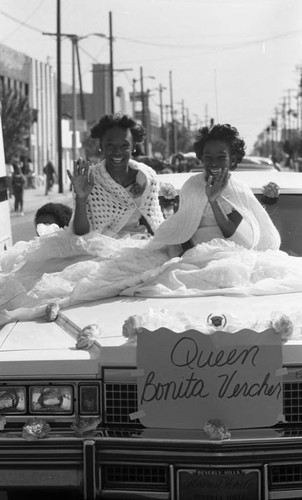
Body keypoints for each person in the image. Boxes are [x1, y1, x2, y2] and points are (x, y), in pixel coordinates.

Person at [153, 123, 281, 252]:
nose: (214, 163)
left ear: (232, 160)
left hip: (228, 255)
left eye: (221, 158)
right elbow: (184, 228)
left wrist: (213, 200)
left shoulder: (239, 190)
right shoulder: (192, 185)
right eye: (208, 157)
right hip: (193, 254)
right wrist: (190, 257)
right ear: (202, 158)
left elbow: (228, 231)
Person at [67, 113, 164, 238]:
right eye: (110, 145)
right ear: (101, 146)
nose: (117, 152)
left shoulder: (147, 176)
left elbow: (154, 223)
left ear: (133, 147)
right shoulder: (88, 178)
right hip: (98, 247)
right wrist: (81, 199)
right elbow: (81, 234)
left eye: (124, 145)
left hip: (138, 244)